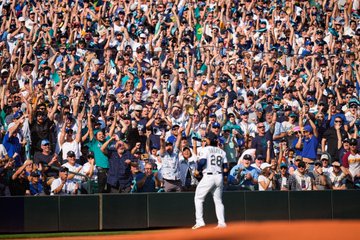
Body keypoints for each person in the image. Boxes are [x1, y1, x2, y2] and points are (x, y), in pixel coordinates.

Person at [192, 132, 228, 229]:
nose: (205, 140)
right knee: (218, 201)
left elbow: (202, 161)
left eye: (207, 138)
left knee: (198, 198)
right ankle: (222, 223)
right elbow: (225, 168)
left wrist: (197, 170)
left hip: (209, 176)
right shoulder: (222, 151)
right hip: (219, 176)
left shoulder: (206, 149)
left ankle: (200, 222)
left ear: (209, 140)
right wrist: (224, 178)